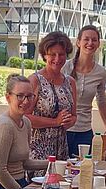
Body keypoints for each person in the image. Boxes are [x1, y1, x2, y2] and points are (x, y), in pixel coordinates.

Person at [0, 74, 49, 189]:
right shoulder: (5, 125)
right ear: (8, 97)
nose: (25, 101)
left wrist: (54, 163)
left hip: (20, 184)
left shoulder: (26, 122)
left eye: (29, 96)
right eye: (20, 96)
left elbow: (25, 163)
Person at [27, 31, 77, 160]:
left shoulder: (70, 82)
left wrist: (70, 121)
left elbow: (74, 115)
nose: (57, 59)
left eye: (61, 54)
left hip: (61, 149)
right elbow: (25, 118)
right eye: (52, 54)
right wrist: (55, 122)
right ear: (44, 55)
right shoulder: (35, 80)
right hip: (38, 150)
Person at [63, 25, 106, 157]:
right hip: (62, 130)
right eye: (86, 39)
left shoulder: (101, 73)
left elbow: (101, 100)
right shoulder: (65, 67)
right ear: (78, 42)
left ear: (98, 44)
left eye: (94, 40)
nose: (90, 43)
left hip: (85, 132)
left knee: (83, 170)